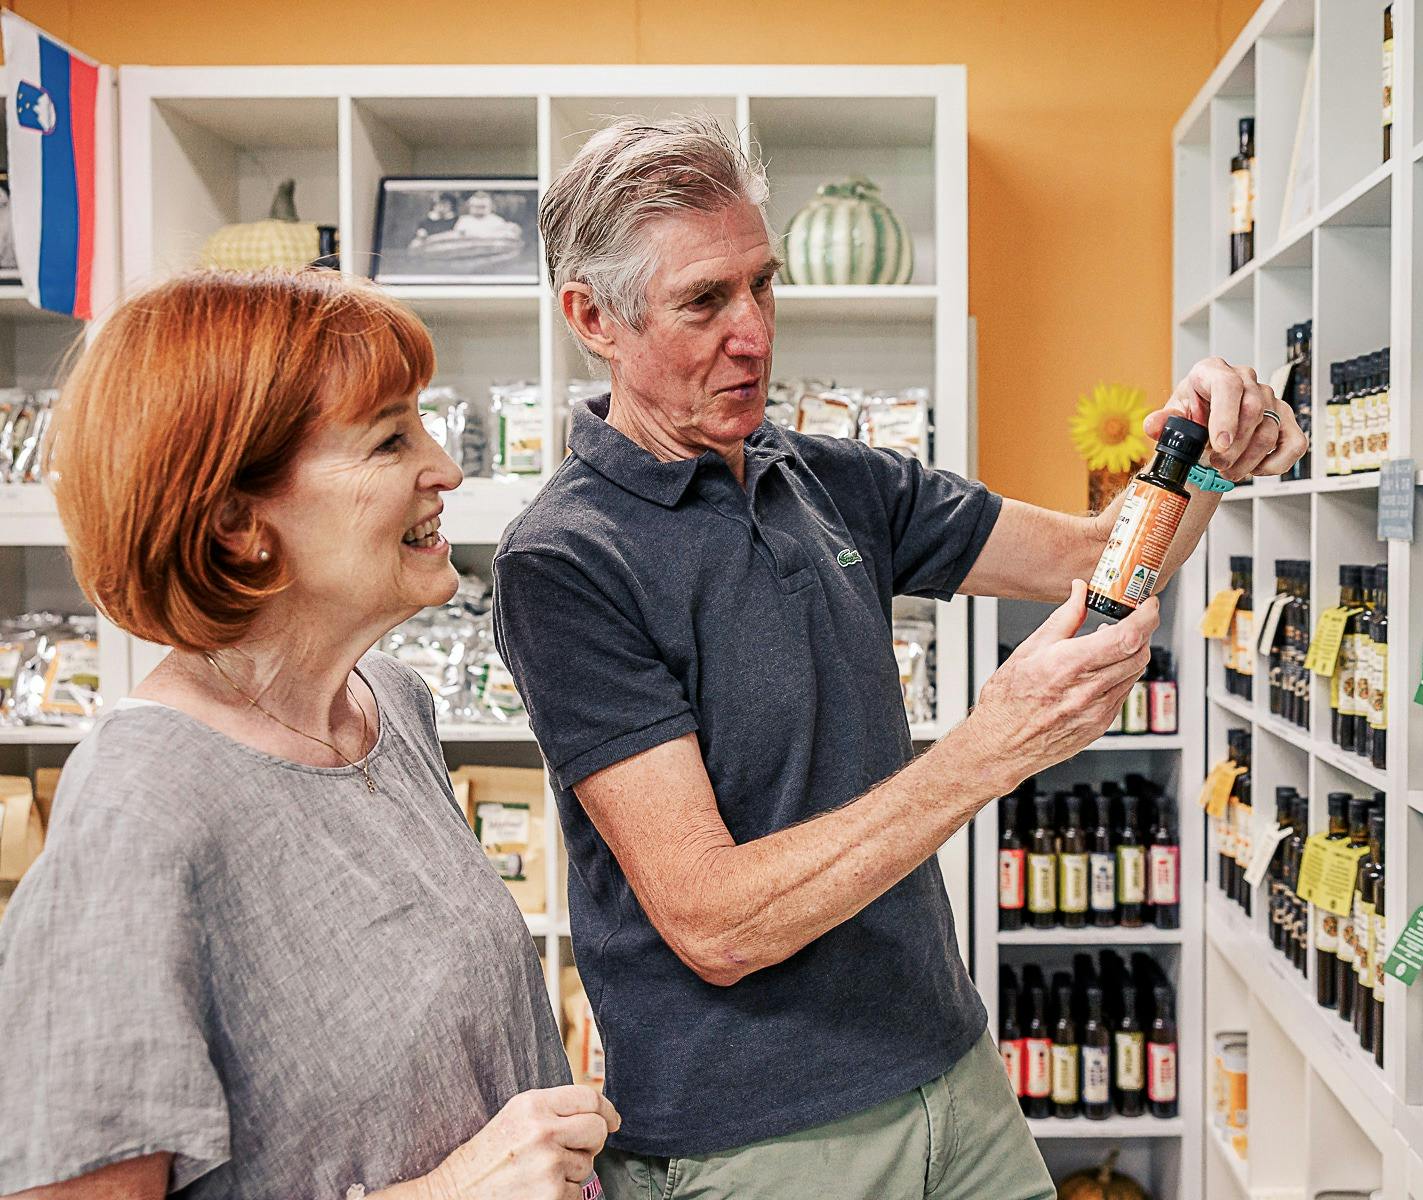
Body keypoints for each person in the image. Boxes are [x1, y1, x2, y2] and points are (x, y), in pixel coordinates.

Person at [496, 113, 1305, 1200]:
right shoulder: (563, 562)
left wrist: (1196, 456)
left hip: (952, 1074)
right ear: (592, 318)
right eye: (703, 301)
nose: (754, 333)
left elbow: (1096, 559)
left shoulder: (830, 477)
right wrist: (989, 747)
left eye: (762, 285)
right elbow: (714, 921)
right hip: (758, 1143)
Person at [0, 270, 619, 1200]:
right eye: (389, 439)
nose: (446, 469)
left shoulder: (389, 708)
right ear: (237, 522)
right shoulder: (139, 809)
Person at [452, 191, 522, 242]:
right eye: (476, 207)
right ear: (470, 207)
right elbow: (456, 237)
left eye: (482, 207)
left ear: (490, 207)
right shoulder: (464, 220)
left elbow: (508, 236)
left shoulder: (497, 220)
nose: (479, 210)